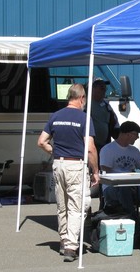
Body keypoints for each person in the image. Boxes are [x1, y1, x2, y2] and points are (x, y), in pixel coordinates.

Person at [37, 83, 100, 262]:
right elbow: (90, 148)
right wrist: (95, 170)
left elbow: (41, 142)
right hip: (76, 165)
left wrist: (54, 151)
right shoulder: (84, 118)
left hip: (58, 164)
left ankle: (64, 241)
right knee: (76, 207)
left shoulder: (55, 116)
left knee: (62, 205)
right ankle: (71, 247)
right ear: (82, 98)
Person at [99, 121, 140, 241]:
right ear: (128, 134)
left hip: (133, 187)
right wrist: (125, 179)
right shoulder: (108, 149)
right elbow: (105, 171)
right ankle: (134, 225)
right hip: (113, 188)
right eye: (136, 134)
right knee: (124, 188)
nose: (138, 137)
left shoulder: (134, 151)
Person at [90, 77, 120, 154]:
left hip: (104, 146)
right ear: (93, 89)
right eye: (101, 88)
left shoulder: (106, 105)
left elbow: (114, 123)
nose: (104, 91)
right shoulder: (86, 104)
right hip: (91, 145)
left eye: (105, 88)